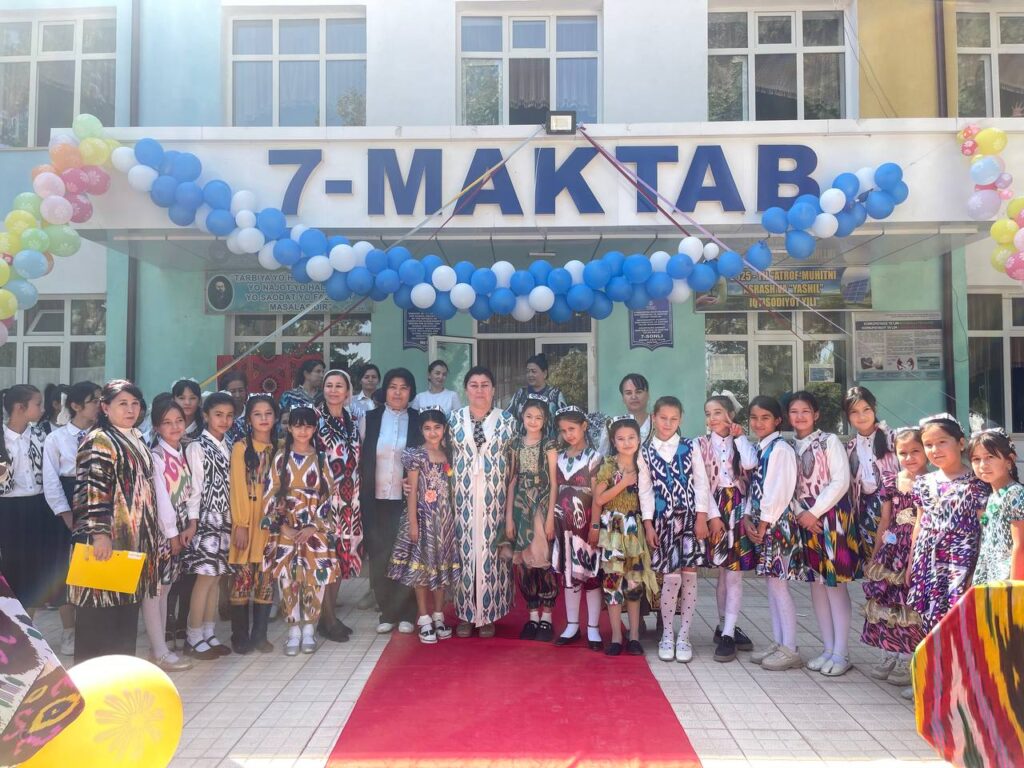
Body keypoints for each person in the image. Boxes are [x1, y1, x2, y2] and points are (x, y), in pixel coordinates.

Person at [70, 380, 160, 663]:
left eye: (135, 404)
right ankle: (92, 679)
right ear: (105, 407)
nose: (130, 409)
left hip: (132, 541)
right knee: (99, 614)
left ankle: (120, 677)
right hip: (107, 541)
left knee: (124, 612)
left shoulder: (135, 437)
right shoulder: (100, 440)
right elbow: (94, 489)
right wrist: (100, 534)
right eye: (123, 404)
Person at [788, 390, 857, 677]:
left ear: (816, 414)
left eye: (805, 411)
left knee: (834, 584)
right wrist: (799, 513)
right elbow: (787, 486)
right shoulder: (788, 447)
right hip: (804, 521)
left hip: (831, 518)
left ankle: (842, 652)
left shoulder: (829, 441)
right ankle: (828, 648)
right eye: (794, 411)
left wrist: (814, 513)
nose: (800, 416)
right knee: (816, 585)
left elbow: (840, 481)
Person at [640, 396, 712, 664]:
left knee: (689, 578)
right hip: (664, 523)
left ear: (680, 419)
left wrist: (702, 518)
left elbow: (701, 483)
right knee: (671, 580)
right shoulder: (645, 452)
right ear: (653, 417)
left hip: (690, 520)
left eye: (673, 418)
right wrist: (648, 524)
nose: (668, 423)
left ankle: (684, 636)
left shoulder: (690, 446)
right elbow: (645, 491)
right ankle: (667, 635)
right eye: (663, 418)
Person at [263, 406, 338, 655]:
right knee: (288, 579)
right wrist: (282, 526)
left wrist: (313, 526)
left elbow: (329, 497)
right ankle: (293, 631)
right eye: (297, 425)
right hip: (286, 530)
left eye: (308, 426)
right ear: (289, 428)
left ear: (314, 429)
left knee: (315, 579)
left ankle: (309, 630)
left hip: (314, 531)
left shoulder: (322, 459)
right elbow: (270, 494)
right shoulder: (280, 458)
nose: (303, 431)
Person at [449, 366, 517, 638]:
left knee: (492, 556)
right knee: (464, 556)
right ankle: (466, 614)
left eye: (485, 384)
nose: (479, 390)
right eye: (474, 385)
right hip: (461, 502)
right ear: (466, 389)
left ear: (493, 389)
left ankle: (488, 614)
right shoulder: (454, 420)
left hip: (495, 502)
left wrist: (511, 510)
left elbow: (514, 467)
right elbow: (442, 457)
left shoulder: (507, 421)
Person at [907, 414, 989, 633]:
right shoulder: (923, 482)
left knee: (960, 623)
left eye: (942, 442)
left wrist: (978, 569)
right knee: (930, 624)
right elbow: (919, 522)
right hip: (928, 562)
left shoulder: (977, 483)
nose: (935, 450)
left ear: (961, 443)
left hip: (961, 562)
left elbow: (986, 528)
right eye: (928, 445)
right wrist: (911, 562)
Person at [388, 408, 460, 644]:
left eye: (437, 428)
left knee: (440, 568)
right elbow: (411, 492)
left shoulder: (448, 454)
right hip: (422, 518)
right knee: (421, 569)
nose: (433, 432)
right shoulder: (416, 455)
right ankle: (424, 618)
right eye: (427, 428)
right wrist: (413, 523)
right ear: (421, 430)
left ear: (444, 429)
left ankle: (439, 615)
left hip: (444, 521)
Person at [861, 427, 926, 688]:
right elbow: (885, 520)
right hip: (892, 550)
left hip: (915, 547)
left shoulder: (931, 483)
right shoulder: (891, 481)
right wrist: (875, 554)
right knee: (887, 599)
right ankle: (888, 652)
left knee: (906, 603)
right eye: (903, 452)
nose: (909, 457)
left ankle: (906, 657)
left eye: (915, 451)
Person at [743, 396, 803, 672]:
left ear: (778, 420)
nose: (758, 423)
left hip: (777, 525)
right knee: (771, 584)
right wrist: (748, 516)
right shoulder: (761, 448)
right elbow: (754, 487)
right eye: (754, 418)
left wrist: (764, 524)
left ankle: (790, 648)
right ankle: (779, 642)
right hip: (763, 523)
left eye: (765, 417)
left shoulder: (781, 449)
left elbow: (779, 492)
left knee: (779, 585)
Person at [696, 392, 758, 663]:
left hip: (739, 510)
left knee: (734, 574)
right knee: (722, 572)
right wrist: (712, 515)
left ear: (730, 415)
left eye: (718, 412)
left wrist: (740, 436)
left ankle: (729, 633)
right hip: (715, 509)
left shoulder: (741, 443)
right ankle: (724, 626)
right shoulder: (700, 444)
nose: (712, 418)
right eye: (708, 414)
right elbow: (700, 483)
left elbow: (751, 464)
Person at [360, 368, 421, 634]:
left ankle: (408, 612)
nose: (397, 392)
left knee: (406, 556)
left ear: (411, 392)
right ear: (385, 390)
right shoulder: (370, 419)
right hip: (376, 500)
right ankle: (387, 612)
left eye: (403, 387)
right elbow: (361, 458)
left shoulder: (418, 420)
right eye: (393, 387)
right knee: (379, 556)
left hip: (406, 502)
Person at [42, 380, 100, 657]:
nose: (99, 406)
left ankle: (94, 627)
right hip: (67, 502)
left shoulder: (103, 435)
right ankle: (69, 630)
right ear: (76, 406)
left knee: (96, 565)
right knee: (66, 569)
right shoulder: (56, 438)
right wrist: (66, 514)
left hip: (98, 499)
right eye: (94, 401)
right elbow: (51, 480)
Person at [592, 415, 658, 656]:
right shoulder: (608, 465)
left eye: (631, 437)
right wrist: (623, 483)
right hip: (613, 529)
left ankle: (634, 636)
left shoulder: (643, 465)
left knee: (633, 583)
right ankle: (616, 637)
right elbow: (599, 499)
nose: (627, 442)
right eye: (621, 438)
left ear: (639, 439)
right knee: (612, 583)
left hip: (634, 530)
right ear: (613, 441)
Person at [181, 392, 237, 660]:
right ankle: (193, 637)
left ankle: (209, 632)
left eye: (229, 415)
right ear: (205, 416)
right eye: (218, 415)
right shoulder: (197, 447)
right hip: (205, 518)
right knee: (204, 579)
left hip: (225, 517)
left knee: (216, 578)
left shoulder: (230, 444)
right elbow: (195, 488)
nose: (224, 420)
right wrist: (192, 522)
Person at [147, 398, 196, 671]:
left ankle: (160, 647)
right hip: (162, 531)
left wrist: (188, 526)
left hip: (177, 527)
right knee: (155, 591)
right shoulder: (156, 456)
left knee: (165, 590)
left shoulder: (182, 451)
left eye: (178, 421)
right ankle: (159, 650)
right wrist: (172, 534)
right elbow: (162, 499)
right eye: (167, 422)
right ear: (156, 427)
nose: (175, 426)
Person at [504, 394, 558, 641]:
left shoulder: (549, 445)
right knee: (525, 562)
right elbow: (512, 480)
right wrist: (509, 517)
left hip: (541, 505)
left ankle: (547, 617)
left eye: (538, 417)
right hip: (520, 506)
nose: (533, 421)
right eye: (529, 416)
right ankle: (533, 615)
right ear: (522, 417)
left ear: (545, 420)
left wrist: (550, 518)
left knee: (542, 559)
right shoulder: (515, 444)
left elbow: (554, 482)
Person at [228, 394, 278, 654]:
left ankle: (260, 635)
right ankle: (239, 635)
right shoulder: (241, 447)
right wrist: (241, 524)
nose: (263, 419)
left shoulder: (280, 447)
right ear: (249, 419)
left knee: (266, 578)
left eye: (268, 413)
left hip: (270, 523)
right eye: (257, 414)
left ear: (276, 417)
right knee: (242, 578)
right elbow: (237, 486)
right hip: (247, 519)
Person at [551, 405, 604, 650]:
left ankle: (593, 627)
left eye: (572, 428)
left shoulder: (594, 457)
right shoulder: (560, 457)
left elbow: (598, 496)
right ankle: (572, 625)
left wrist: (595, 525)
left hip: (585, 523)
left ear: (584, 426)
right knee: (569, 574)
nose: (568, 434)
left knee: (590, 574)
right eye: (563, 431)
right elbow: (555, 489)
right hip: (563, 525)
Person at [315, 369, 362, 642]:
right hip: (323, 501)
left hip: (349, 501)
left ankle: (329, 615)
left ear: (347, 391)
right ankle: (327, 618)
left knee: (341, 559)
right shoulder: (314, 418)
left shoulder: (352, 420)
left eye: (339, 386)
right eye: (329, 385)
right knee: (326, 559)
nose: (333, 390)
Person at [0, 386, 47, 614]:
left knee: (33, 569)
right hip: (7, 509)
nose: (42, 409)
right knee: (10, 567)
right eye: (38, 404)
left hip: (37, 506)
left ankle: (29, 625)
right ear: (20, 407)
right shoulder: (2, 438)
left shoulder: (41, 436)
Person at [844, 386, 900, 564]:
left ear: (874, 408)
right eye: (854, 412)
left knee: (895, 562)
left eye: (866, 409)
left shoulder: (894, 438)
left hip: (895, 511)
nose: (861, 416)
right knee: (873, 565)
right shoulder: (850, 447)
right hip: (865, 514)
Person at [968, 429, 1024, 584]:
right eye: (976, 459)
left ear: (1009, 460)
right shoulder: (993, 497)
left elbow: (1020, 545)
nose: (983, 465)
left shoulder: (1015, 493)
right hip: (992, 579)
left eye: (990, 457)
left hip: (1008, 581)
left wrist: (1014, 588)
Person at [505, 354, 567, 436]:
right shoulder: (520, 394)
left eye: (533, 371)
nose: (530, 374)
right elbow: (507, 418)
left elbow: (565, 422)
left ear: (544, 373)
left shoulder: (555, 394)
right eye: (528, 371)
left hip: (550, 442)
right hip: (522, 441)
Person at [619, 373, 652, 441]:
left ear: (648, 395)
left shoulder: (659, 424)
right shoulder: (613, 426)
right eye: (628, 393)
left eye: (638, 392)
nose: (634, 397)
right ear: (623, 398)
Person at [221, 371, 250, 446]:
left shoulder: (253, 415)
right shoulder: (218, 419)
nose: (237, 395)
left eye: (241, 390)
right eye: (233, 391)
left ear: (246, 390)